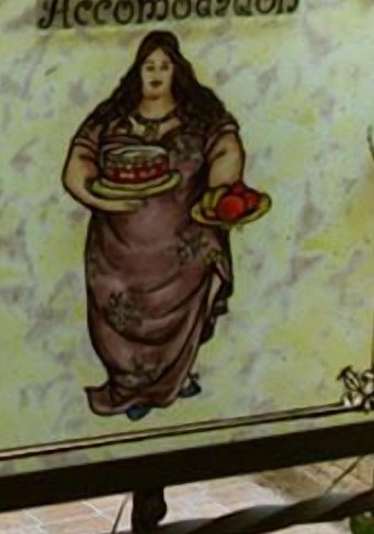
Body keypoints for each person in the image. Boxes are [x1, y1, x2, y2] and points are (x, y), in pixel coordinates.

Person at [61, 30, 250, 420]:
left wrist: (221, 189)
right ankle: (129, 387)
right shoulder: (111, 117)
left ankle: (175, 378)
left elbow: (226, 147)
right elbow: (78, 162)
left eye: (165, 66)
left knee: (180, 314)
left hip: (182, 250)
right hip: (117, 251)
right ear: (137, 71)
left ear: (177, 70)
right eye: (149, 66)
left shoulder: (200, 115)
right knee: (119, 316)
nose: (157, 74)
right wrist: (100, 197)